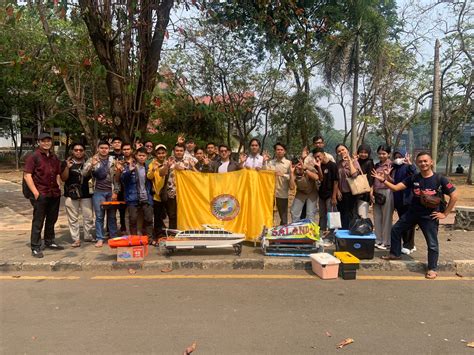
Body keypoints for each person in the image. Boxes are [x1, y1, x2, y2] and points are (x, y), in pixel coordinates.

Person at [371, 152, 458, 279]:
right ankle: (395, 253)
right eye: (420, 161)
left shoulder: (440, 179)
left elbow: (454, 196)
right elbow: (396, 188)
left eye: (425, 161)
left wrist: (444, 214)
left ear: (431, 162)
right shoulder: (414, 178)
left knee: (432, 243)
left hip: (430, 216)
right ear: (417, 163)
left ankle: (432, 268)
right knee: (396, 230)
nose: (423, 163)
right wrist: (383, 180)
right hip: (413, 212)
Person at [23, 132, 64, 258]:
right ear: (39, 142)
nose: (46, 143)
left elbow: (57, 173)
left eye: (48, 141)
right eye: (43, 141)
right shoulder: (33, 156)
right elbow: (27, 175)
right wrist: (35, 193)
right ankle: (35, 246)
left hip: (54, 193)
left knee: (52, 219)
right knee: (38, 221)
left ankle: (49, 241)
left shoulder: (54, 157)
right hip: (41, 193)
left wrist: (58, 186)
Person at [83, 140, 121, 247]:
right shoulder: (93, 159)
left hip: (110, 191)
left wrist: (115, 192)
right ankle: (100, 238)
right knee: (99, 216)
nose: (104, 150)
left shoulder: (113, 160)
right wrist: (92, 165)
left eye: (106, 148)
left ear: (109, 149)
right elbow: (84, 173)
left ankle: (113, 236)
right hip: (98, 192)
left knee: (112, 216)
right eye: (102, 148)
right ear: (98, 149)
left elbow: (116, 179)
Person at [60, 143, 94, 247]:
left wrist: (92, 166)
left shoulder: (89, 162)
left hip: (86, 194)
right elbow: (63, 179)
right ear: (72, 151)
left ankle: (88, 236)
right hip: (71, 194)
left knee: (88, 217)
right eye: (76, 150)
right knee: (73, 218)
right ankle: (76, 239)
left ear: (84, 151)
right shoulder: (66, 163)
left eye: (81, 150)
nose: (78, 152)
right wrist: (67, 168)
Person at [120, 148, 154, 238]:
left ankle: (149, 238)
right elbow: (123, 179)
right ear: (136, 156)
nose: (141, 157)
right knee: (133, 219)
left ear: (146, 157)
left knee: (149, 219)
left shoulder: (148, 168)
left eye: (143, 156)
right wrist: (129, 171)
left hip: (146, 197)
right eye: (140, 155)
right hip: (132, 197)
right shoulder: (130, 167)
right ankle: (134, 238)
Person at [159, 144, 193, 229]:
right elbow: (161, 173)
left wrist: (184, 170)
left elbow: (195, 175)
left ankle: (183, 232)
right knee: (172, 215)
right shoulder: (169, 160)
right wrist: (167, 166)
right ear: (174, 151)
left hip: (185, 193)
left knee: (184, 214)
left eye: (181, 151)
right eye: (177, 150)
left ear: (184, 151)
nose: (179, 152)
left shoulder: (189, 161)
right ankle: (172, 234)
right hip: (171, 192)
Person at [391, 149, 417, 254]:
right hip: (399, 200)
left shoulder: (407, 167)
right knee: (403, 222)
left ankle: (409, 245)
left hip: (408, 199)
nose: (398, 158)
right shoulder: (395, 168)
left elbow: (416, 174)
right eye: (396, 156)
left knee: (409, 223)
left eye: (400, 156)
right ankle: (408, 243)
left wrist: (410, 164)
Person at [262, 143, 292, 225]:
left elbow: (292, 176)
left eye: (281, 150)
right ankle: (269, 229)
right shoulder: (271, 163)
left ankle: (283, 232)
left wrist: (283, 175)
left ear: (285, 151)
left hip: (282, 192)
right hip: (270, 192)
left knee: (283, 215)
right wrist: (264, 162)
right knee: (269, 212)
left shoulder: (288, 163)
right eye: (278, 150)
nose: (279, 151)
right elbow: (264, 172)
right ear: (275, 151)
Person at [372, 144, 394, 250]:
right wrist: (371, 193)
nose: (381, 155)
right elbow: (373, 180)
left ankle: (386, 241)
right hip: (377, 192)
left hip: (387, 191)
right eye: (380, 153)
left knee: (387, 217)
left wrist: (386, 176)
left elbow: (394, 182)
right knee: (377, 217)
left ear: (388, 154)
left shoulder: (392, 165)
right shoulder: (376, 165)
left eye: (384, 153)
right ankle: (378, 240)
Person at [335, 144, 361, 229]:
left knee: (351, 214)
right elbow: (337, 179)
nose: (341, 152)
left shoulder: (354, 161)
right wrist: (337, 190)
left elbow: (354, 174)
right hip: (342, 193)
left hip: (352, 192)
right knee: (342, 214)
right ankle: (342, 235)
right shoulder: (338, 164)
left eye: (343, 150)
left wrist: (349, 160)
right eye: (339, 151)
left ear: (347, 150)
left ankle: (350, 234)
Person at [313, 148, 338, 232]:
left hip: (330, 194)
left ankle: (332, 234)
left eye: (318, 156)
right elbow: (321, 179)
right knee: (322, 214)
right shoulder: (317, 166)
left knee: (331, 215)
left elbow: (336, 181)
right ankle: (322, 232)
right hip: (321, 194)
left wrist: (334, 196)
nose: (317, 159)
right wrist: (319, 167)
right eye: (315, 157)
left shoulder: (333, 165)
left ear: (324, 154)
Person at [147, 144, 168, 240]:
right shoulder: (152, 163)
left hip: (169, 194)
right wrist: (153, 170)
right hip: (157, 195)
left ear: (166, 153)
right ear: (155, 154)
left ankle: (169, 233)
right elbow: (149, 177)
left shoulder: (169, 162)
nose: (161, 155)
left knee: (169, 215)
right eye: (159, 153)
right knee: (158, 217)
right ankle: (158, 236)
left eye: (163, 153)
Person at [290, 158, 319, 223]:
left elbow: (316, 177)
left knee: (310, 213)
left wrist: (305, 169)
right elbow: (292, 187)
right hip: (301, 192)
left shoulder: (309, 168)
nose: (297, 167)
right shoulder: (293, 171)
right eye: (295, 166)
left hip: (312, 192)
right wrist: (292, 173)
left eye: (299, 165)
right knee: (294, 211)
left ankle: (310, 230)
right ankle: (296, 227)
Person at [356, 144, 375, 219]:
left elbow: (371, 178)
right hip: (354, 190)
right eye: (361, 152)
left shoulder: (369, 162)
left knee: (362, 214)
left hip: (364, 192)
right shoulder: (356, 161)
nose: (363, 154)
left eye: (365, 153)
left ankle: (363, 229)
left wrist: (368, 190)